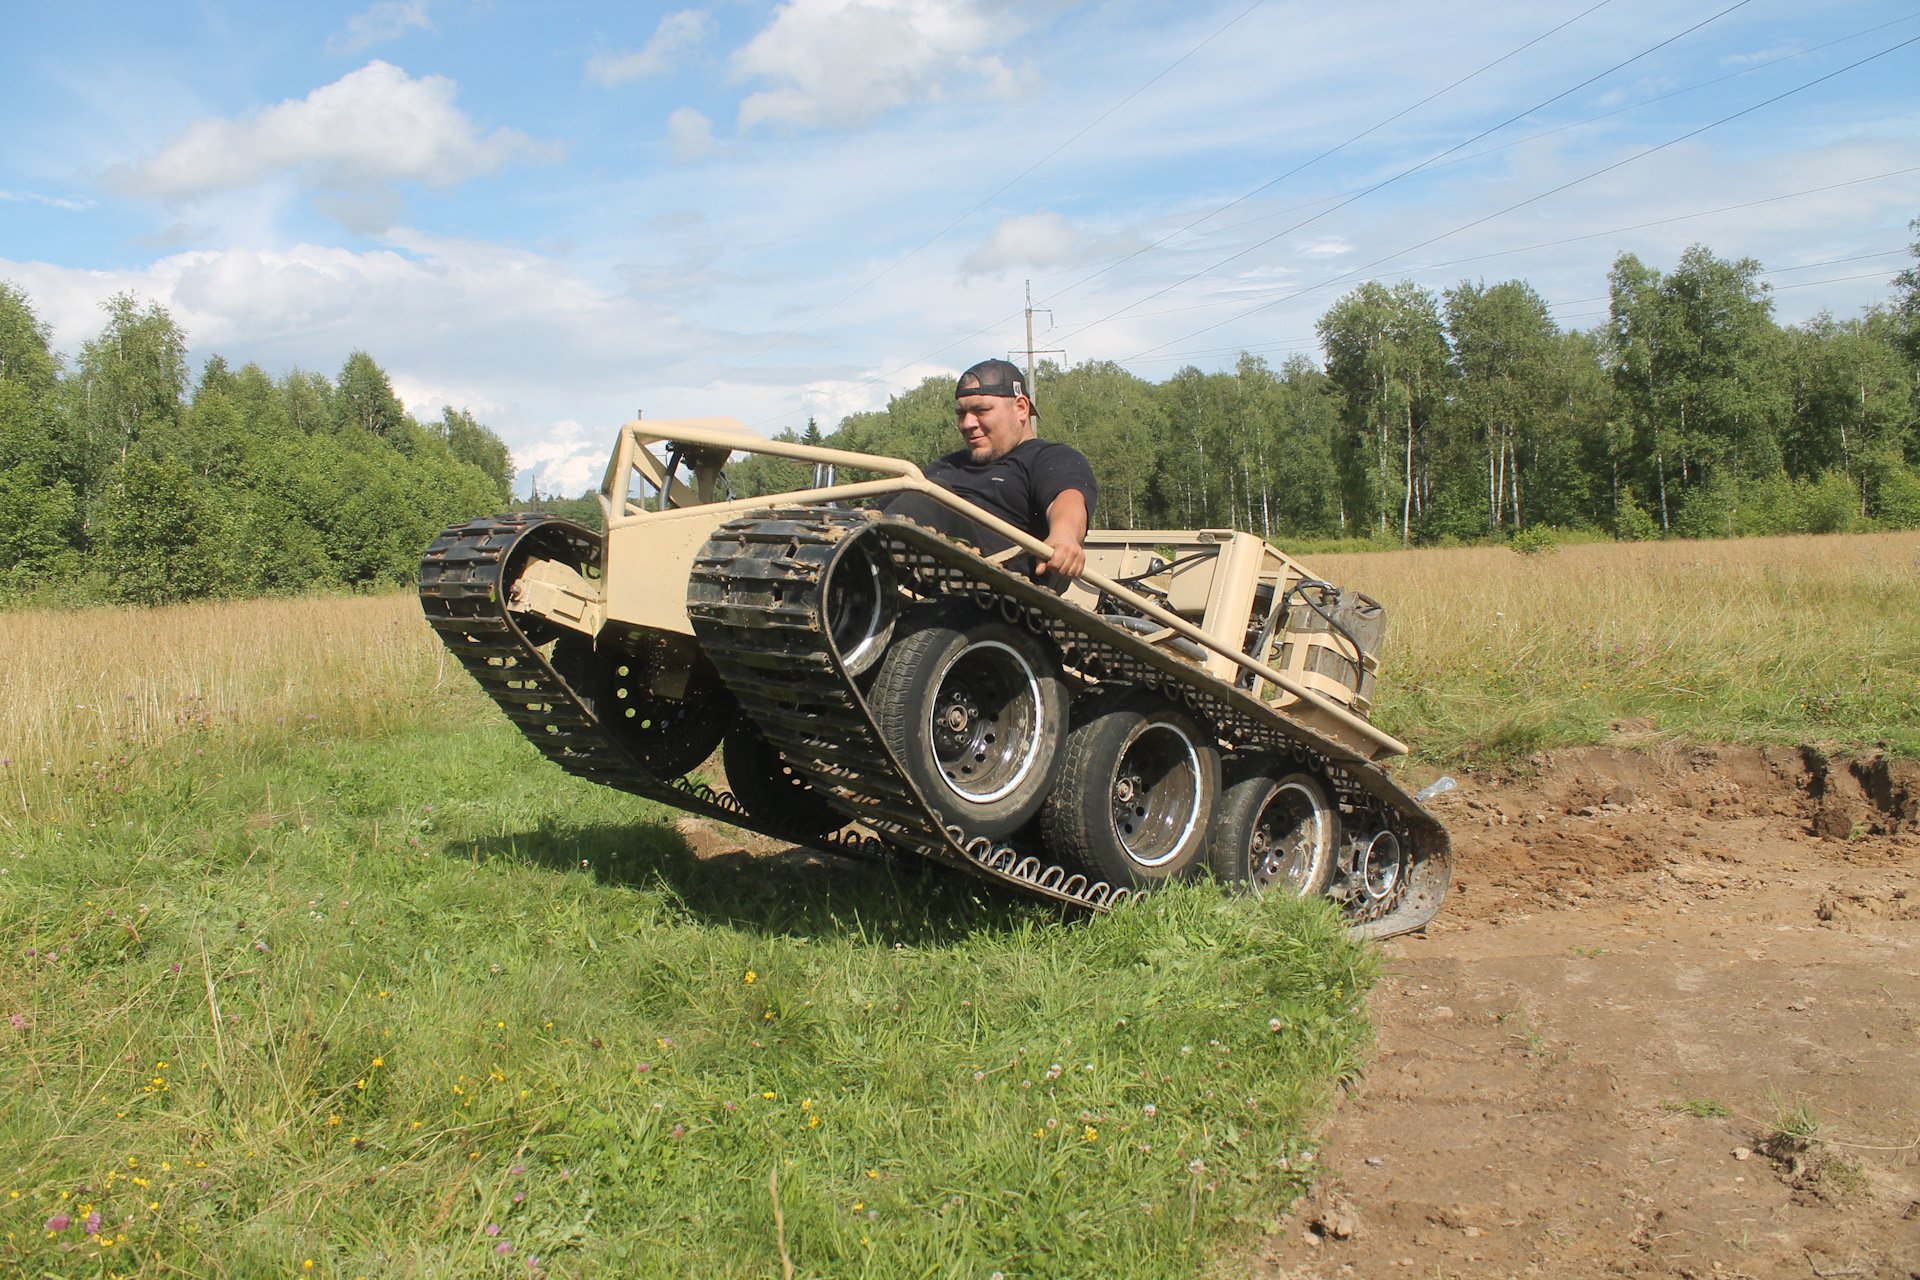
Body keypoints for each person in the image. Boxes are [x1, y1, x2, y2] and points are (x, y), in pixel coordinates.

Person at [886, 358, 1098, 581]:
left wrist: (1064, 536)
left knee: (930, 495)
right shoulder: (946, 466)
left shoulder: (1048, 458)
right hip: (923, 581)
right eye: (961, 413)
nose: (967, 423)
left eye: (981, 410)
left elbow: (1067, 500)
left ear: (1021, 408)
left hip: (1002, 588)